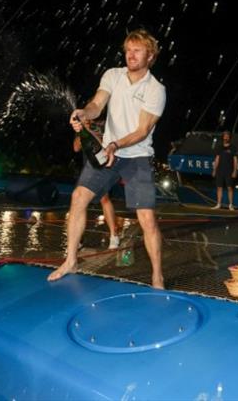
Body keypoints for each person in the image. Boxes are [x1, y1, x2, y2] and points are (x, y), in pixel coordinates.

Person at [48, 29, 166, 288]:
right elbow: (97, 105)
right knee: (79, 197)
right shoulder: (113, 75)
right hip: (107, 154)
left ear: (151, 55)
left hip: (136, 156)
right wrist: (83, 113)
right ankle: (71, 261)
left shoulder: (156, 90)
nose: (130, 55)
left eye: (137, 50)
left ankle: (157, 275)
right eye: (127, 50)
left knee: (146, 218)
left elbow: (142, 131)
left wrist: (115, 144)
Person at [73, 118, 120, 249]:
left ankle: (114, 235)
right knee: (81, 201)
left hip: (103, 165)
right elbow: (76, 147)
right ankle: (78, 238)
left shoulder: (104, 124)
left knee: (104, 198)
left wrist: (91, 132)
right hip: (88, 167)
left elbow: (105, 145)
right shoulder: (82, 128)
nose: (85, 118)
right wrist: (82, 131)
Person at [211, 131, 238, 210]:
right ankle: (218, 204)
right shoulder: (219, 147)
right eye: (225, 136)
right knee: (219, 187)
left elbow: (235, 160)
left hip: (229, 170)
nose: (226, 137)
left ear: (230, 138)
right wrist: (214, 170)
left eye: (228, 136)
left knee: (229, 187)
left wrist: (235, 171)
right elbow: (217, 159)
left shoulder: (233, 148)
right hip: (220, 170)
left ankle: (230, 205)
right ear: (223, 137)